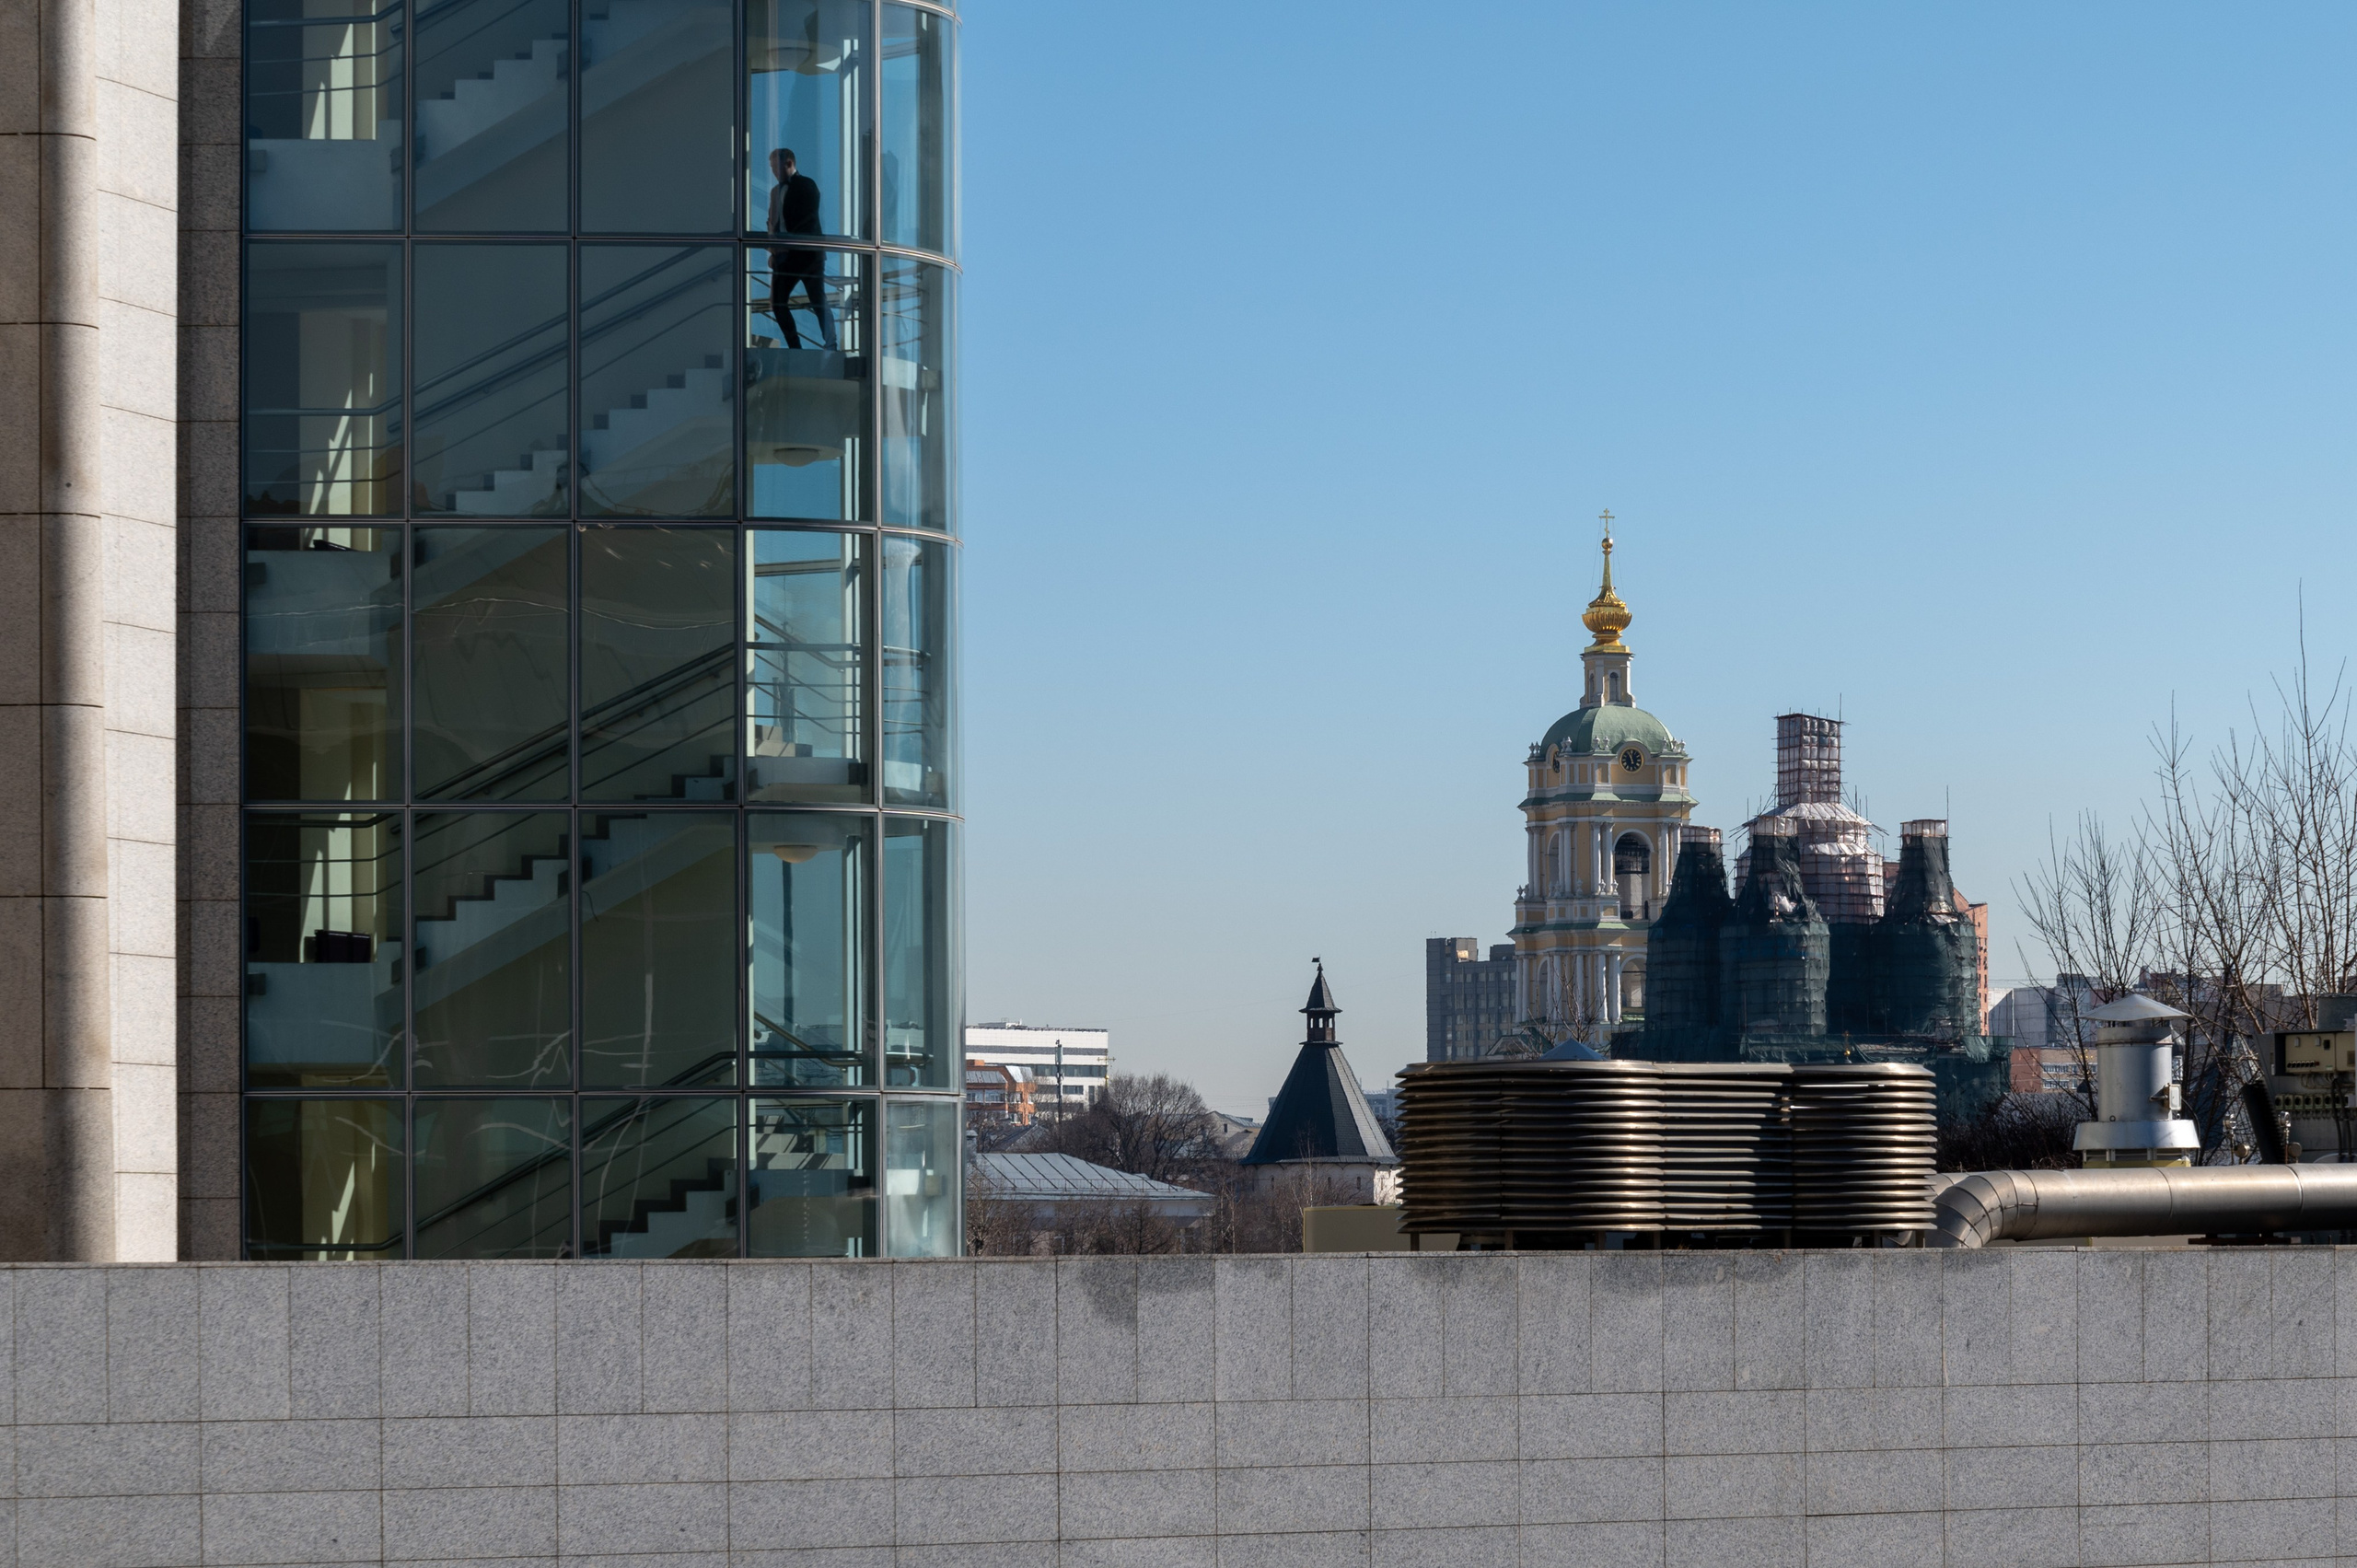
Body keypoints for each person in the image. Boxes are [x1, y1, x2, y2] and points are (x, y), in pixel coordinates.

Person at [766, 148, 837, 350]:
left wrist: (785, 245)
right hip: (785, 256)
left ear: (788, 164)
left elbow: (808, 220)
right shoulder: (775, 191)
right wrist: (773, 249)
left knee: (817, 300)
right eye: (771, 168)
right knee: (778, 303)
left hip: (807, 255)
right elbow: (773, 222)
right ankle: (794, 347)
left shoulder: (807, 185)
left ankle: (831, 343)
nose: (773, 172)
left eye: (775, 167)